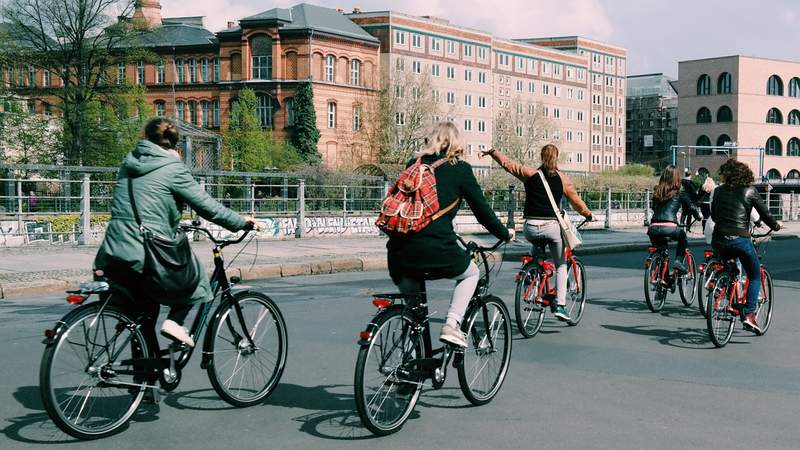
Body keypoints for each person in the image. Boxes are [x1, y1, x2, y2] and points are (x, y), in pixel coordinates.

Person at [94, 118, 257, 347]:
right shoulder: (172, 168)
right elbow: (205, 205)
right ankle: (174, 321)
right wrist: (240, 222)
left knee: (141, 318)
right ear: (174, 144)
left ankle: (145, 378)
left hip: (112, 250)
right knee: (195, 277)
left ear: (145, 137)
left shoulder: (127, 163)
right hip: (146, 250)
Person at [387, 122, 513, 348]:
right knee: (471, 273)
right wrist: (505, 234)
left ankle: (407, 369)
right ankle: (452, 325)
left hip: (398, 252)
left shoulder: (413, 165)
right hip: (435, 248)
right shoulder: (460, 169)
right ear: (455, 143)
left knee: (414, 314)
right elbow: (482, 211)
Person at [482, 144, 592, 322]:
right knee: (561, 265)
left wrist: (493, 152)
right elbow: (575, 200)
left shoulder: (530, 174)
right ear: (556, 158)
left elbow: (509, 165)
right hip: (551, 227)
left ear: (541, 157)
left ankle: (533, 274)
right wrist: (587, 213)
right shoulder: (562, 179)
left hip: (530, 227)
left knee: (537, 252)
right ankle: (561, 306)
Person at [710, 159, 781, 334]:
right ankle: (749, 315)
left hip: (718, 239)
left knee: (730, 268)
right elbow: (765, 214)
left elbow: (713, 214)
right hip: (740, 239)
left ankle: (725, 288)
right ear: (745, 175)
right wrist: (776, 226)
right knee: (755, 275)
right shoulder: (750, 191)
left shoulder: (718, 191)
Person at [648, 165, 702, 273]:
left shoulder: (657, 192)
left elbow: (653, 207)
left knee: (661, 249)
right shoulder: (680, 193)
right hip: (670, 227)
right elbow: (690, 207)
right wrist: (698, 216)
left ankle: (661, 275)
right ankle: (678, 261)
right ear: (677, 178)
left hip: (653, 228)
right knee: (683, 238)